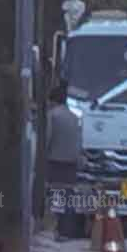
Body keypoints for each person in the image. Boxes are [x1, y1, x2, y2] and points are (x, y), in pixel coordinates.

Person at [46, 85, 84, 239]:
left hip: (55, 161)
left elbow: (47, 138)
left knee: (56, 197)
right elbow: (79, 142)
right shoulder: (74, 117)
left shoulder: (52, 115)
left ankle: (56, 230)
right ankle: (68, 231)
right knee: (69, 197)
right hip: (72, 162)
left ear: (53, 100)